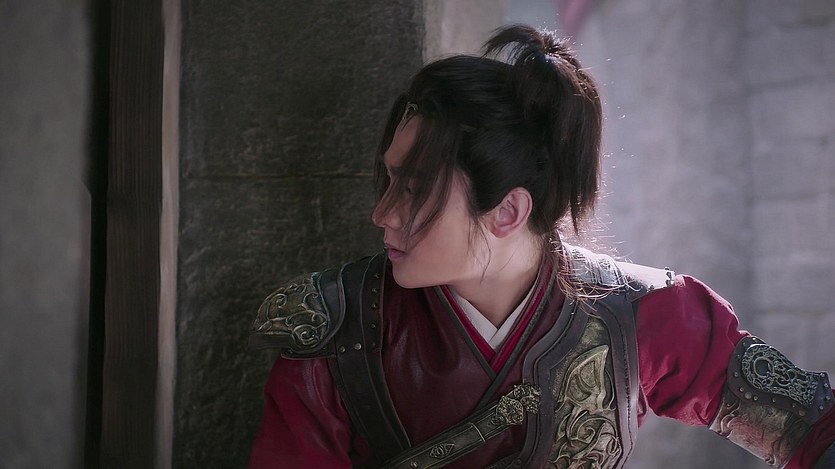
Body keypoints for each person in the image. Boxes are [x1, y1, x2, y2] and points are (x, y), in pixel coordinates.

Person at [247, 25, 835, 468]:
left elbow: (813, 426)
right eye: (390, 180)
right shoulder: (336, 332)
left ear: (508, 211)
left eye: (415, 189)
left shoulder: (646, 316)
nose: (383, 213)